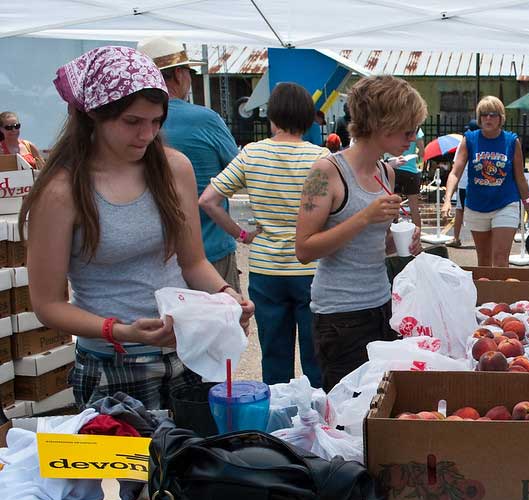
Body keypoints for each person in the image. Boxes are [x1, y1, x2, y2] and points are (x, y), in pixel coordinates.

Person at [22, 46, 254, 409]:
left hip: (187, 353)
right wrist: (119, 330)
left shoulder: (174, 168)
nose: (146, 134)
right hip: (112, 366)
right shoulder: (61, 191)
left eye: (156, 121)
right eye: (132, 122)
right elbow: (48, 304)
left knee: (196, 461)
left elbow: (193, 263)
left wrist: (226, 293)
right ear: (93, 117)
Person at [295, 75, 426, 392]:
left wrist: (400, 243)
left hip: (382, 305)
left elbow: (370, 246)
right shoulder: (325, 172)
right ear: (382, 124)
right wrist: (365, 218)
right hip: (340, 316)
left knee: (379, 405)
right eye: (407, 129)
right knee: (347, 412)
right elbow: (304, 249)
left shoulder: (386, 172)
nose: (413, 137)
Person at [200, 82, 329, 388]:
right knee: (316, 357)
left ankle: (278, 423)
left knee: (273, 356)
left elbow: (207, 201)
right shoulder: (321, 158)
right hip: (310, 269)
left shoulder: (252, 154)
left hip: (265, 269)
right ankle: (319, 423)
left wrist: (242, 233)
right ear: (308, 119)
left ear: (272, 117)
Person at [138, 37, 242, 292]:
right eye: (189, 72)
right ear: (178, 74)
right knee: (220, 325)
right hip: (211, 250)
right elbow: (240, 170)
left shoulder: (130, 124)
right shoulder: (205, 119)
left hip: (155, 257)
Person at [441, 96, 529, 267]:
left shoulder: (511, 141)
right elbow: (455, 173)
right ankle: (486, 294)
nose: (488, 118)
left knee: (500, 258)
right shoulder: (470, 139)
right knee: (484, 260)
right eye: (484, 114)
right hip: (476, 205)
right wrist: (448, 199)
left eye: (493, 114)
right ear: (479, 117)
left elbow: (520, 179)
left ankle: (501, 294)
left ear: (501, 117)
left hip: (505, 204)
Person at [448, 119, 480, 248]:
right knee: (477, 211)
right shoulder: (480, 144)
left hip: (464, 183)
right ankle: (480, 240)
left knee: (460, 210)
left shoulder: (464, 143)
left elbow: (456, 166)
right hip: (474, 183)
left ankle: (456, 238)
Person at [386, 127, 424, 227]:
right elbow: (422, 152)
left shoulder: (397, 126)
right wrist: (417, 156)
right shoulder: (417, 130)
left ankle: (394, 235)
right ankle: (417, 238)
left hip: (395, 168)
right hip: (411, 170)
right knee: (414, 208)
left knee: (394, 205)